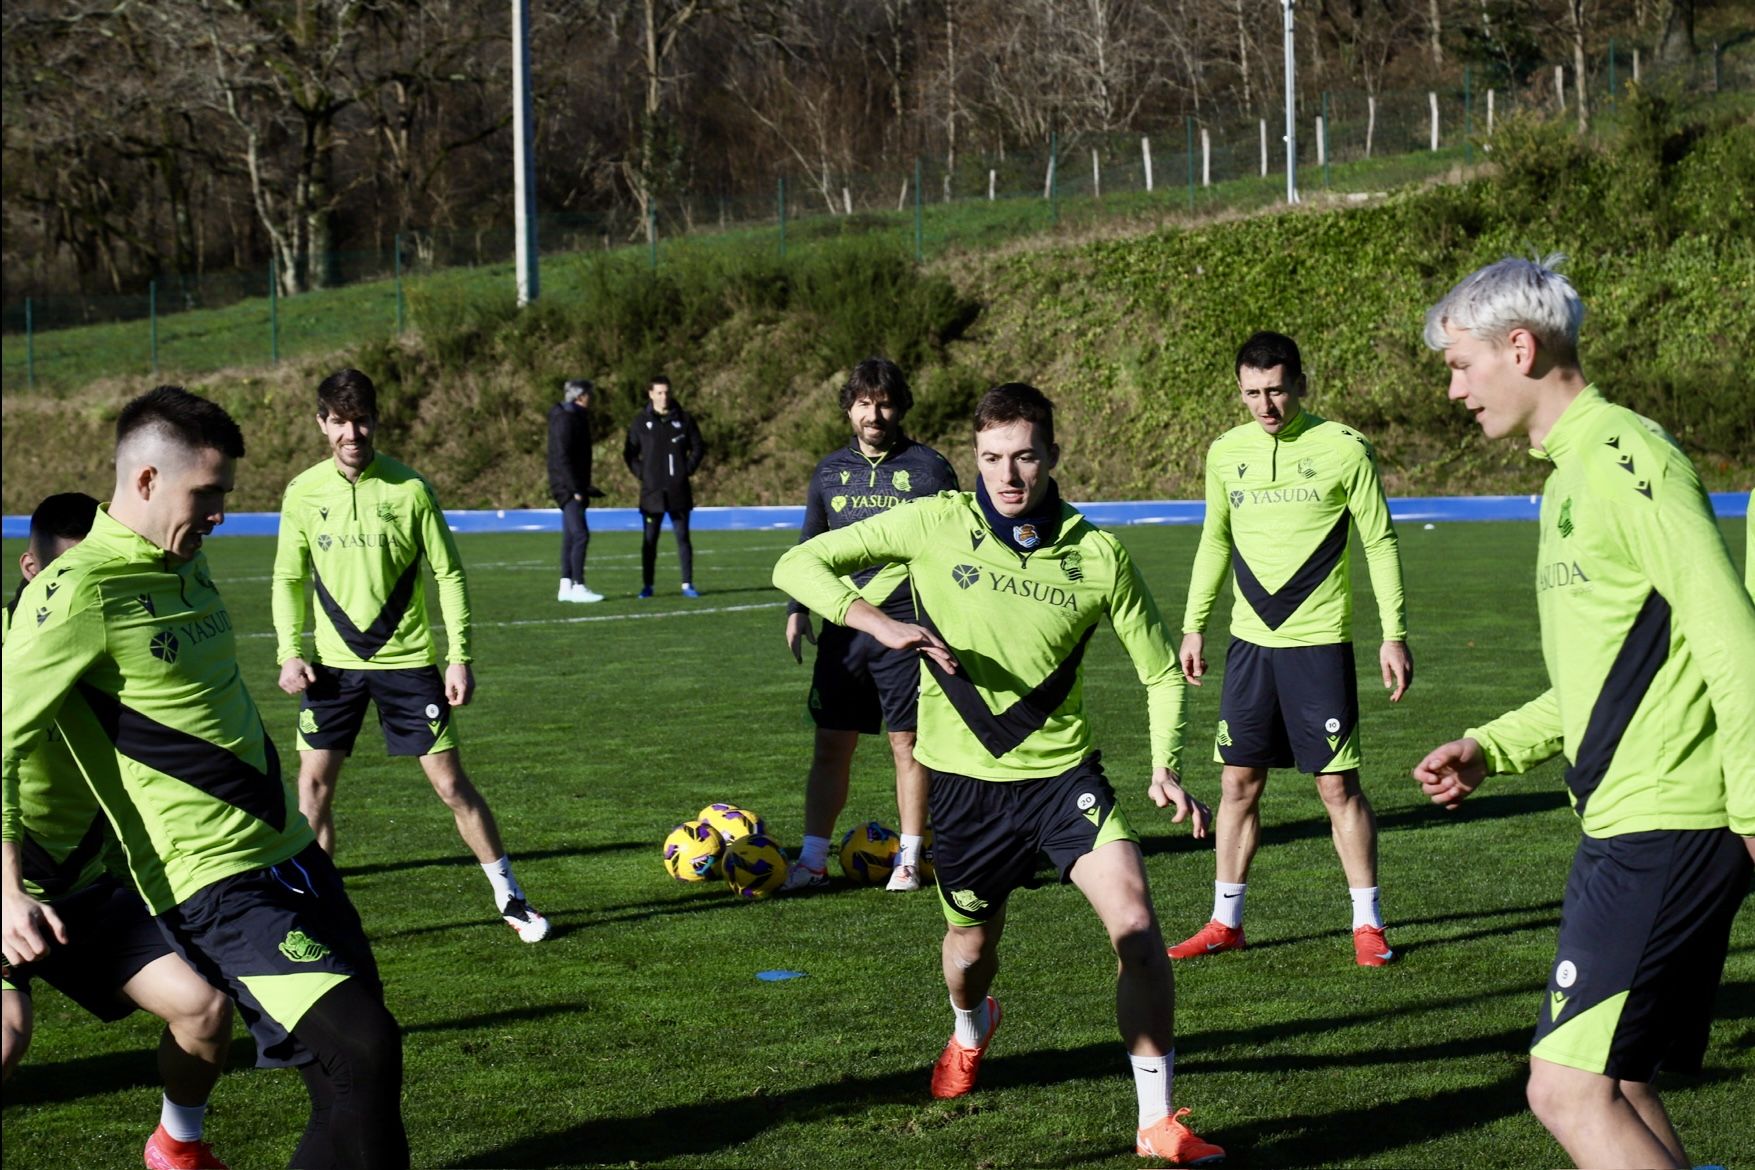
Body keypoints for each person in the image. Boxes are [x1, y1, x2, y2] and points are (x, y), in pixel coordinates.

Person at [774, 382, 1225, 1163]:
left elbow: (1158, 671)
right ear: (973, 458)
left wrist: (1166, 766)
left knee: (1140, 932)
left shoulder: (1096, 553)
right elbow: (799, 562)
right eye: (989, 458)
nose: (1006, 475)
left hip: (1061, 783)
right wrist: (879, 623)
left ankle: (1155, 1122)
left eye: (1023, 457)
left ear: (1051, 457)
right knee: (969, 958)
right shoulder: (935, 519)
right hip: (962, 790)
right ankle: (970, 1026)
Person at [1, 386, 409, 1168]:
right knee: (357, 1050)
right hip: (211, 878)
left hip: (289, 851)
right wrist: (6, 884)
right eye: (207, 493)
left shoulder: (184, 557)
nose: (219, 512)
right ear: (147, 480)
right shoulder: (76, 591)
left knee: (362, 1061)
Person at [1412, 256, 1754, 1170]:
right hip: (1623, 824)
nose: (1452, 390)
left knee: (1563, 1090)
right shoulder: (1567, 475)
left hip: (1667, 826)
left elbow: (1731, 635)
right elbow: (1596, 680)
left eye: (1458, 364)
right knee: (1623, 1078)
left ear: (1517, 348)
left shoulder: (1624, 457)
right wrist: (1492, 747)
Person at [272, 368, 551, 943]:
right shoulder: (302, 493)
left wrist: (459, 656)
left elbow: (448, 573)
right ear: (322, 424)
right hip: (331, 667)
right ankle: (322, 912)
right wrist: (288, 651)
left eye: (363, 419)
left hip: (408, 664)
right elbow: (286, 579)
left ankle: (511, 897)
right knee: (312, 790)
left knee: (451, 787)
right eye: (340, 421)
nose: (353, 432)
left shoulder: (411, 489)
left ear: (377, 419)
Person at [2, 492, 234, 1170]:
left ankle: (177, 1150)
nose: (84, 596)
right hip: (8, 882)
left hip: (86, 888)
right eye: (66, 576)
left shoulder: (129, 644)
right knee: (7, 1037)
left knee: (204, 1008)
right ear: (29, 569)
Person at [1167, 330, 1412, 968]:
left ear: (1299, 383)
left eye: (1275, 390)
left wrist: (1394, 633)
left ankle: (1368, 925)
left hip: (1318, 646)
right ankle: (1226, 921)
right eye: (1252, 393)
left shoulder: (1344, 448)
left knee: (1337, 787)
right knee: (1237, 781)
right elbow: (1214, 542)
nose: (1265, 405)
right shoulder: (1225, 453)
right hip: (1250, 647)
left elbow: (1379, 541)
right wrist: (1195, 625)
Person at [779, 358, 960, 894]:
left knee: (908, 744)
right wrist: (797, 609)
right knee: (832, 744)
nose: (874, 414)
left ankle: (908, 858)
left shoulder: (930, 469)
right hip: (843, 626)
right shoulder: (829, 471)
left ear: (900, 407)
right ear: (849, 409)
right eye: (863, 403)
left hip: (907, 626)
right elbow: (809, 542)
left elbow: (952, 547)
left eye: (883, 403)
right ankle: (813, 860)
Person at [623, 374, 705, 598]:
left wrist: (684, 470)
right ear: (651, 394)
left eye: (667, 392)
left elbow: (698, 447)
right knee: (649, 541)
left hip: (678, 491)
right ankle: (647, 585)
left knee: (683, 538)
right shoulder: (640, 422)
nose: (664, 397)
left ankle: (687, 584)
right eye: (659, 393)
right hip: (651, 493)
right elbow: (629, 453)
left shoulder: (684, 420)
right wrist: (643, 474)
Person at [548, 378, 605, 604]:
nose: (592, 398)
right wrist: (575, 488)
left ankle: (565, 585)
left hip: (572, 485)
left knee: (571, 536)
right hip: (567, 487)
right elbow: (562, 457)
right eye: (589, 394)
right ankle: (579, 585)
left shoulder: (572, 417)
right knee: (581, 535)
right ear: (581, 396)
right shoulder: (567, 419)